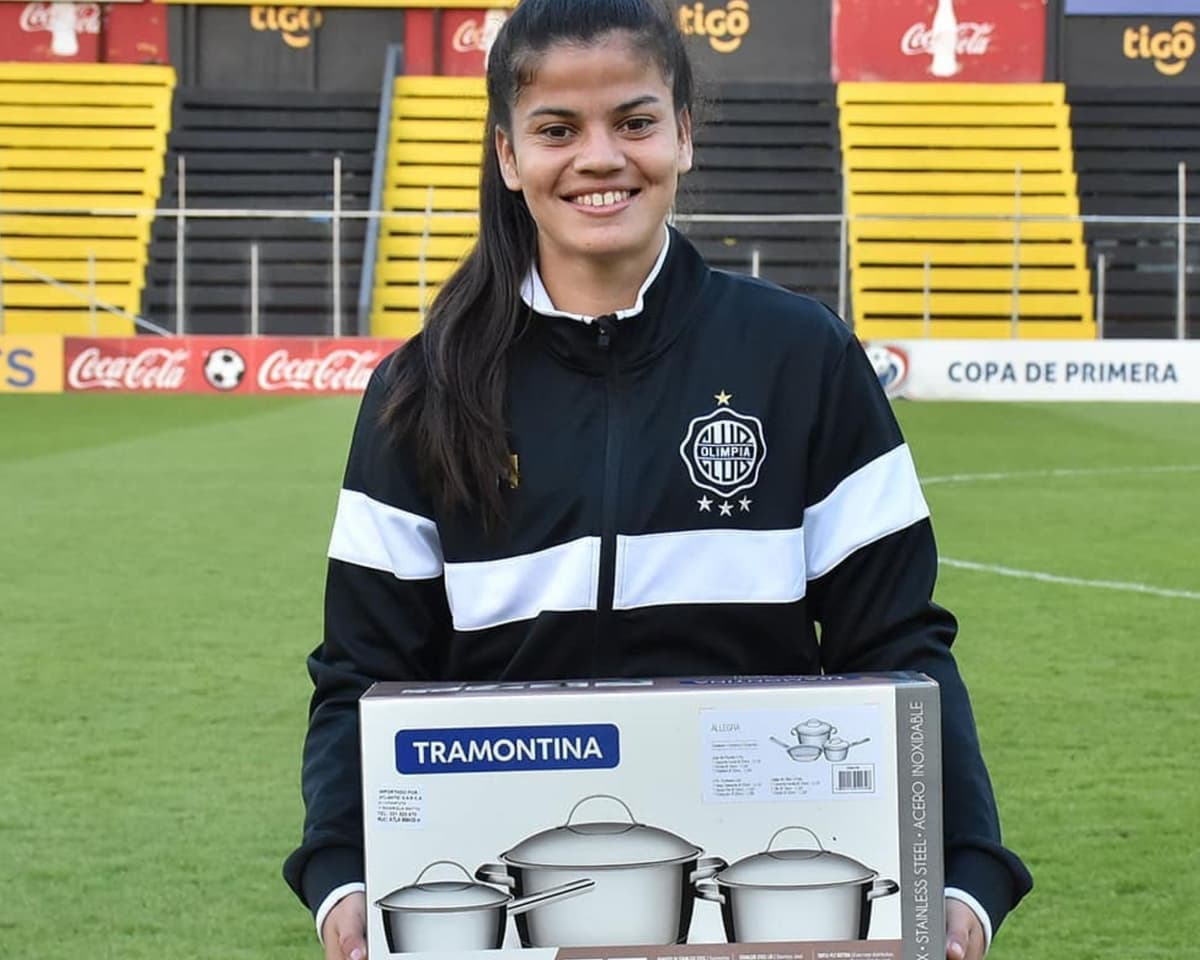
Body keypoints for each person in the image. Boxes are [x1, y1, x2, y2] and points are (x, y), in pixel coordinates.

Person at [282, 1, 1032, 958]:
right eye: (557, 129)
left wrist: (963, 869)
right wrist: (343, 869)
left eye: (634, 122)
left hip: (756, 912)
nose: (600, 157)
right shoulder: (422, 387)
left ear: (683, 133)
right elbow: (364, 670)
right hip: (507, 905)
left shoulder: (800, 357)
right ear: (509, 157)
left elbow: (897, 639)